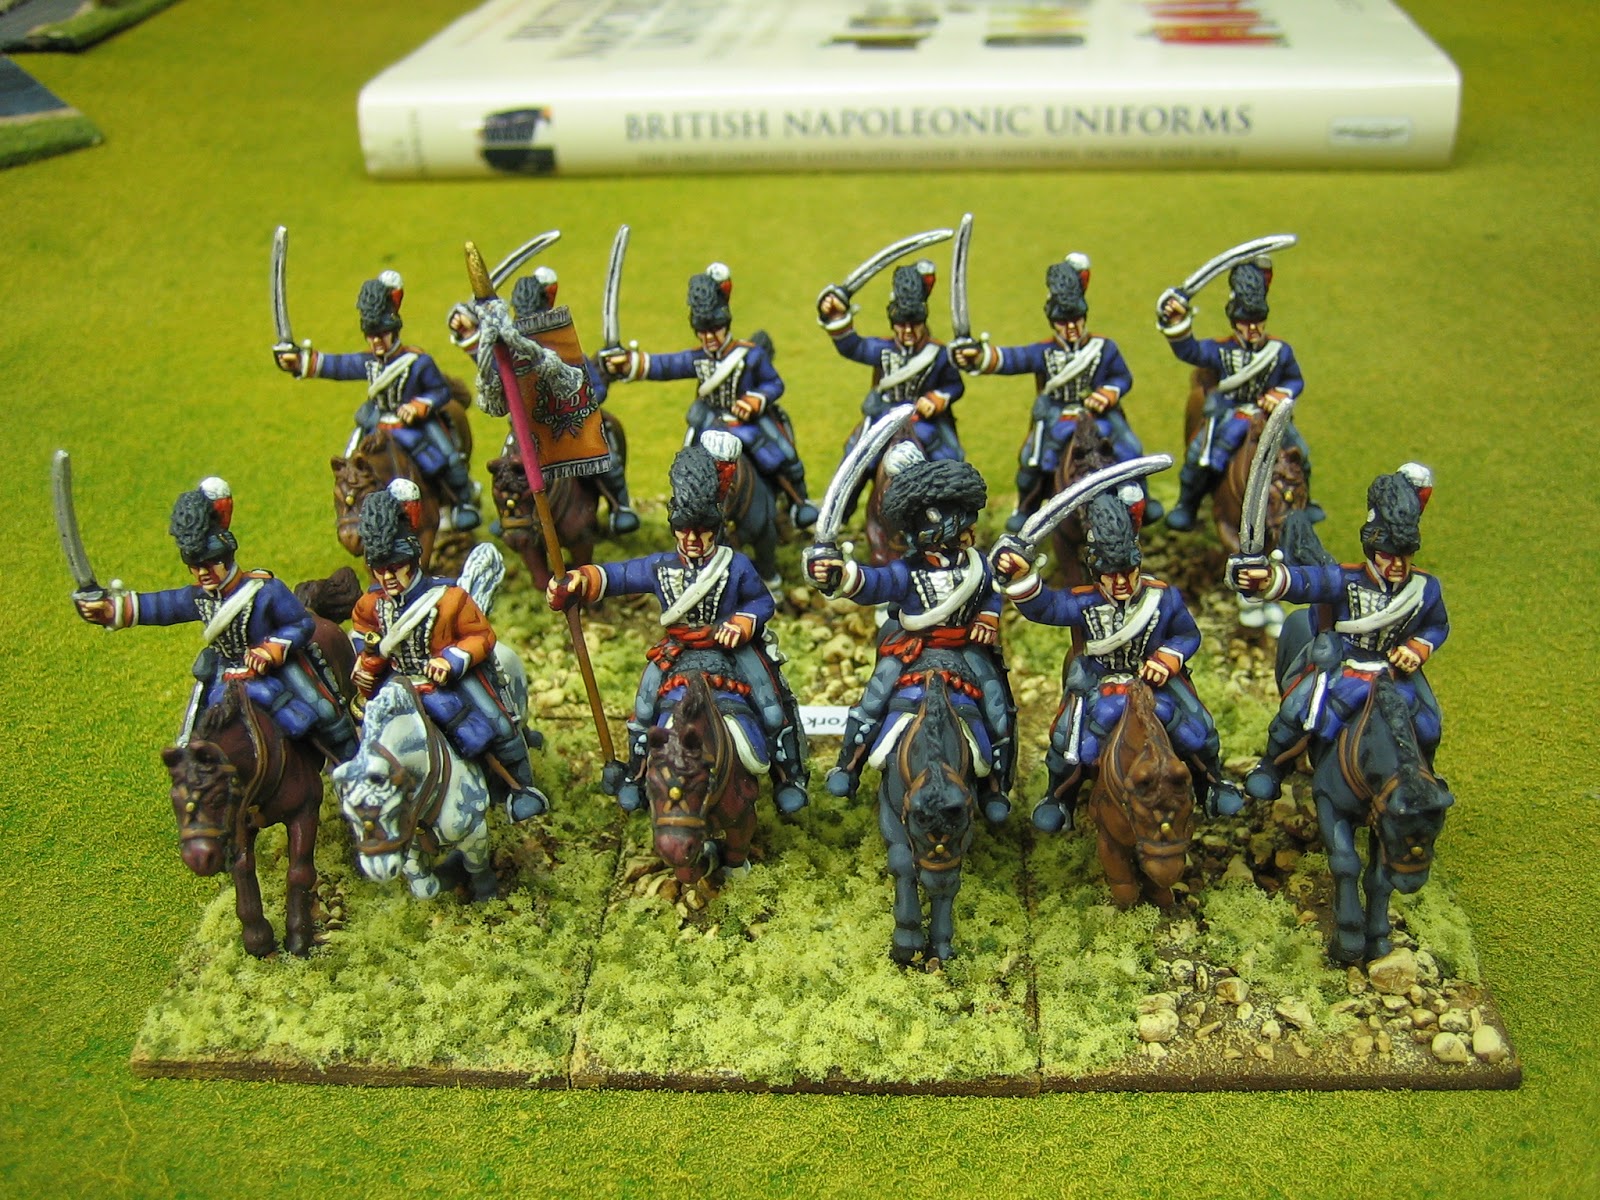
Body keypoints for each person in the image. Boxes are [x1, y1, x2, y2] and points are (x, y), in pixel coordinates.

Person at [546, 436, 811, 814]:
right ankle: (637, 775)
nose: (693, 541)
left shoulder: (735, 565)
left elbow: (761, 601)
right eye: (685, 532)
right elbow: (619, 576)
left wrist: (742, 623)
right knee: (644, 708)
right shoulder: (661, 566)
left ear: (715, 530)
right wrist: (580, 581)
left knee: (770, 705)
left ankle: (788, 777)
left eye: (701, 532)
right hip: (680, 651)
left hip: (730, 650)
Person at [993, 489, 1243, 831]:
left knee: (1198, 728)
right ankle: (1059, 797)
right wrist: (1021, 577)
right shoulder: (1084, 602)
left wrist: (1167, 659)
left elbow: (1187, 635)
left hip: (1154, 679)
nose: (1122, 582)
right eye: (1112, 575)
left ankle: (1212, 784)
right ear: (1097, 573)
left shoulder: (1163, 598)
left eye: (1129, 572)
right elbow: (1045, 608)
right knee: (1067, 740)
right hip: (1099, 680)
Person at [73, 478, 357, 762]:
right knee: (194, 735)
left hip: (276, 667)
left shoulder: (265, 590)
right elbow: (160, 606)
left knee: (324, 711)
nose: (203, 574)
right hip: (226, 671)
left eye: (210, 564)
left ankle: (353, 766)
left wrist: (271, 648)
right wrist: (110, 610)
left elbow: (301, 624)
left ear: (226, 558)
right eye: (195, 567)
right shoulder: (199, 597)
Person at [804, 448, 1013, 822]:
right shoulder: (906, 571)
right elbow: (874, 583)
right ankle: (848, 766)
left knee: (997, 707)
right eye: (962, 526)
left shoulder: (979, 567)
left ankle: (995, 786)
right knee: (874, 697)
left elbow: (991, 594)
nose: (970, 531)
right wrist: (838, 574)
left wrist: (987, 617)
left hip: (965, 649)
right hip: (915, 650)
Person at [1230, 464, 1446, 801]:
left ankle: (1422, 777)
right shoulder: (1345, 579)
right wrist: (1267, 579)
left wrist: (1417, 648)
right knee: (1297, 712)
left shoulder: (1424, 588)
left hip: (1394, 672)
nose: (1398, 565)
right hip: (1346, 667)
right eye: (1389, 556)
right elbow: (1306, 582)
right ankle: (1271, 766)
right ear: (1373, 551)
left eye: (1405, 556)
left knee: (1429, 724)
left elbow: (1436, 625)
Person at [350, 482, 546, 820]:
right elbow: (363, 636)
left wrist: (450, 660)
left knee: (497, 723)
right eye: (380, 568)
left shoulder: (449, 599)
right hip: (396, 682)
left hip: (446, 679)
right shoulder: (369, 604)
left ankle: (520, 788)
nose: (388, 577)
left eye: (395, 566)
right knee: (362, 728)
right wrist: (365, 662)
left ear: (412, 560)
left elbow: (480, 636)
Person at [954, 253, 1163, 530]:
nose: (1071, 328)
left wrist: (1108, 393)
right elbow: (1012, 359)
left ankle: (1143, 499)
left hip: (1096, 413)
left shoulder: (1104, 348)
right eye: (1064, 322)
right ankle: (1026, 508)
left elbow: (1122, 377)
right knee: (1033, 459)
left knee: (1130, 448)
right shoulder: (1045, 351)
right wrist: (978, 357)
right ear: (1054, 324)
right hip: (1057, 414)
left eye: (1076, 320)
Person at [604, 263, 816, 529]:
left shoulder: (751, 355)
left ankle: (799, 502)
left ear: (725, 325)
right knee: (687, 464)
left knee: (782, 452)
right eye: (702, 332)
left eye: (714, 329)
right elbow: (665, 365)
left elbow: (774, 383)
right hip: (709, 421)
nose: (709, 338)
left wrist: (755, 400)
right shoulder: (698, 357)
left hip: (746, 421)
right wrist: (628, 363)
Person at [276, 271, 480, 531]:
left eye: (382, 334)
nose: (376, 341)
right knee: (351, 464)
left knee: (447, 457)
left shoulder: (418, 361)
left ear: (393, 332)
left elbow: (440, 392)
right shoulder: (369, 361)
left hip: (415, 424)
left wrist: (419, 405)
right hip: (378, 422)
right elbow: (337, 365)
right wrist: (299, 362)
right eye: (371, 336)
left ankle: (463, 503)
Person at [448, 266, 639, 534]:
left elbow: (597, 388)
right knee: (506, 465)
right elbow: (492, 370)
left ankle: (621, 506)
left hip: (568, 424)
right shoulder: (513, 352)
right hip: (526, 428)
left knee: (605, 459)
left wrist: (572, 404)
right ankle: (508, 513)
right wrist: (471, 336)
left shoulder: (564, 348)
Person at [1157, 259, 1314, 530]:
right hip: (1230, 411)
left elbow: (1294, 380)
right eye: (1246, 322)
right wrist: (1177, 321)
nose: (1253, 329)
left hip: (1267, 414)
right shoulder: (1220, 350)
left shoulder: (1279, 351)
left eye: (1258, 322)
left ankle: (1306, 503)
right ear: (1235, 322)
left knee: (1301, 453)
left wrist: (1279, 394)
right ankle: (1187, 505)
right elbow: (1189, 351)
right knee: (1198, 457)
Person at [819, 260, 966, 463]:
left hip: (923, 420)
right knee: (855, 459)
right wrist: (837, 318)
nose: (908, 331)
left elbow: (954, 385)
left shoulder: (938, 354)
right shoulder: (882, 349)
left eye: (914, 324)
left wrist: (936, 399)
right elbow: (852, 347)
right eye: (901, 325)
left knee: (951, 458)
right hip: (884, 416)